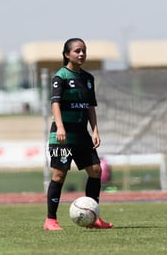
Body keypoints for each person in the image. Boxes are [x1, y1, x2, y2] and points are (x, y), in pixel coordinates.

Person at [43, 38, 113, 230]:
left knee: (96, 171)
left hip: (82, 135)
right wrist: (61, 127)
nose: (81, 54)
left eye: (83, 51)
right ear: (67, 54)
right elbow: (55, 103)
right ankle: (50, 220)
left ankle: (93, 217)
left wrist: (95, 129)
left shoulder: (88, 79)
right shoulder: (61, 76)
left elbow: (90, 106)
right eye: (77, 51)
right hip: (62, 137)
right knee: (59, 175)